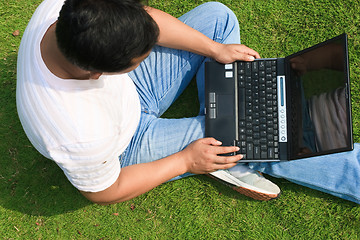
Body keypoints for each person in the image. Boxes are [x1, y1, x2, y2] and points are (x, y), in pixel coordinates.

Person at [16, 0, 360, 205]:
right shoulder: (77, 133)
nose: (152, 54)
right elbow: (105, 190)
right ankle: (233, 150)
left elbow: (145, 19)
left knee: (218, 18)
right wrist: (185, 161)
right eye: (140, 57)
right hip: (124, 146)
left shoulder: (73, 10)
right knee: (250, 128)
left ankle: (227, 145)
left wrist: (215, 50)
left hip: (128, 96)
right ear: (98, 73)